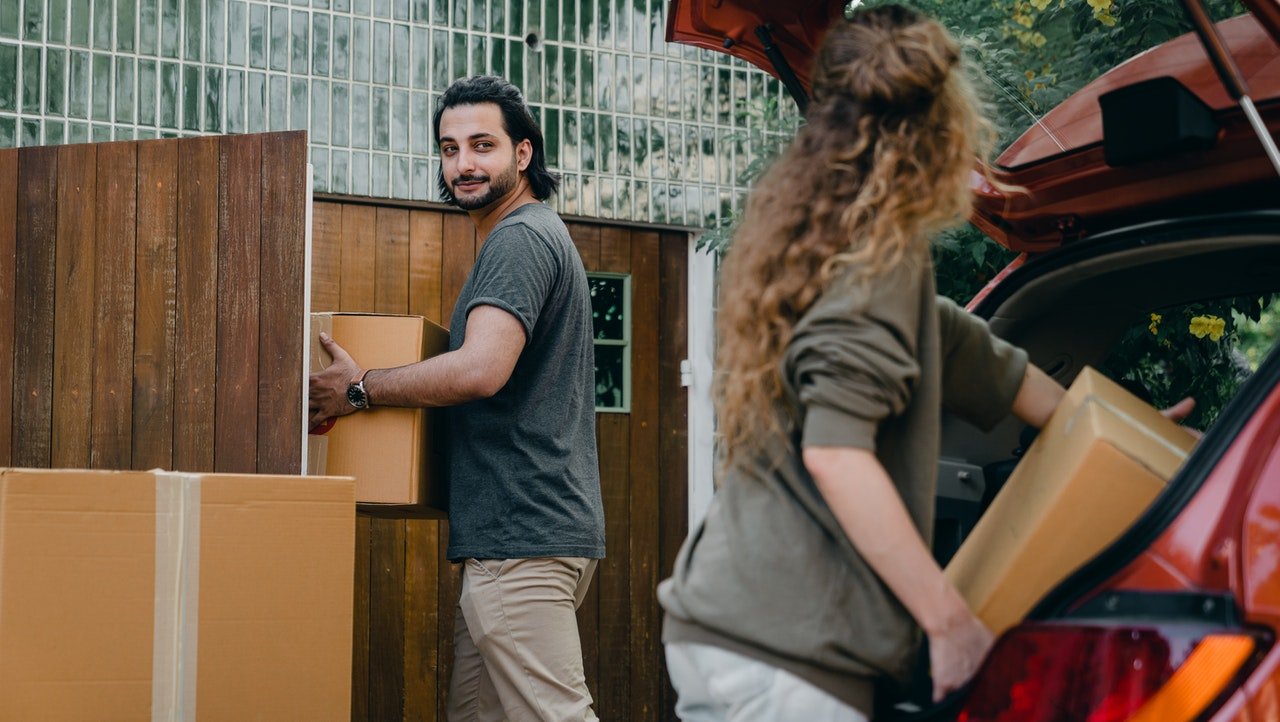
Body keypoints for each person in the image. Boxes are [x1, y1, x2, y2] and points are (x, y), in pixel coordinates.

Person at [657, 7, 1066, 721]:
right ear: (940, 126)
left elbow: (982, 360)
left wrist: (1127, 434)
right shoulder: (878, 265)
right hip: (786, 658)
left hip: (728, 627)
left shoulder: (822, 244)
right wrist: (950, 625)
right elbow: (838, 458)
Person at [309, 75, 604, 722]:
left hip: (520, 534)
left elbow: (481, 370)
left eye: (481, 145)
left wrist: (361, 391)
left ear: (522, 154)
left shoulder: (521, 238)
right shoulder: (530, 235)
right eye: (449, 149)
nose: (463, 164)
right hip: (515, 534)